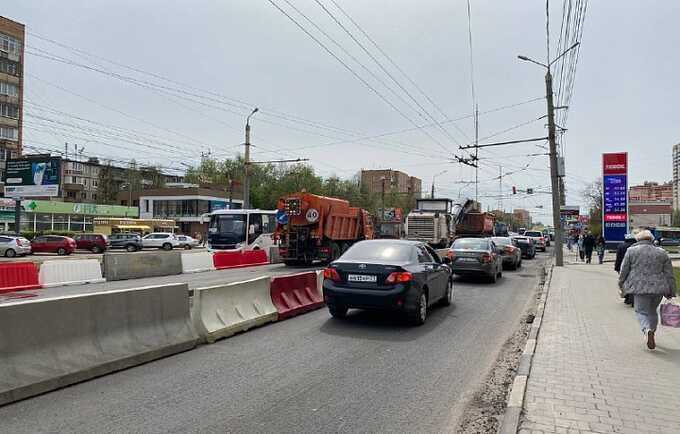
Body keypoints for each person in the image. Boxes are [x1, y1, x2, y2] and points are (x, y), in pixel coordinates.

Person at [618, 230, 677, 350]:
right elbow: (669, 274)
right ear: (651, 239)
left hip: (640, 288)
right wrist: (672, 290)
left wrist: (621, 283)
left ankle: (647, 330)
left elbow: (624, 269)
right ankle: (653, 332)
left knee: (641, 311)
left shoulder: (632, 251)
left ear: (638, 240)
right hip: (658, 288)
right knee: (652, 311)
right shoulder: (662, 252)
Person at [615, 234, 637, 306]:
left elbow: (618, 258)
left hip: (623, 267)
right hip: (634, 267)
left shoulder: (621, 246)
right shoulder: (637, 246)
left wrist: (617, 268)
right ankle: (632, 297)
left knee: (624, 282)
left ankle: (627, 297)